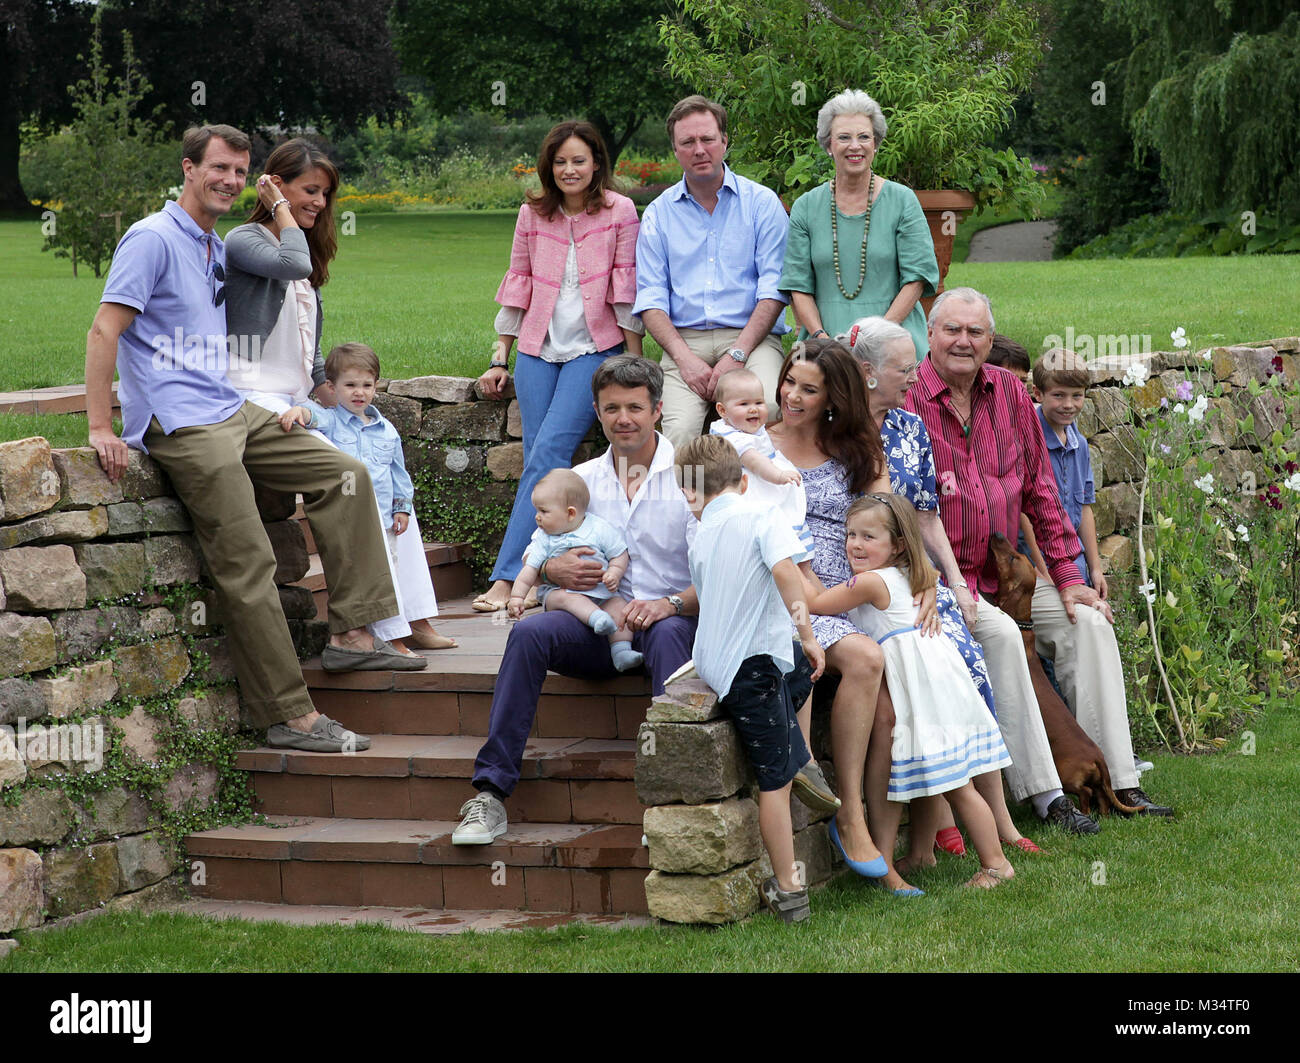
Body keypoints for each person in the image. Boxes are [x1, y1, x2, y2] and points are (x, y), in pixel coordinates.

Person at [85, 124, 400, 755]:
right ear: (188, 168)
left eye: (239, 170)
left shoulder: (209, 243)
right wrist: (100, 426)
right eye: (219, 168)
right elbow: (104, 329)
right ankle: (289, 715)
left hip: (231, 408)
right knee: (249, 559)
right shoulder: (151, 238)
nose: (230, 180)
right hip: (184, 425)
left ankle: (351, 637)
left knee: (347, 475)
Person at [905, 287, 1174, 821]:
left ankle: (1120, 778)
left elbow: (1043, 496)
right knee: (1004, 639)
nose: (963, 341)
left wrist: (1071, 577)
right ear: (930, 334)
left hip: (1017, 581)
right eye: (952, 330)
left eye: (975, 332)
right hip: (949, 584)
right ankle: (1048, 794)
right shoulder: (907, 397)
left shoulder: (1009, 393)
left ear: (990, 338)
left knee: (1090, 624)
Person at [453, 356, 698, 844]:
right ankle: (490, 793)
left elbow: (720, 571)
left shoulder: (691, 476)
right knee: (527, 633)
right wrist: (549, 570)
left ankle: (669, 802)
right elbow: (539, 555)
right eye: (611, 408)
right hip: (597, 624)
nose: (622, 418)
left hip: (672, 621)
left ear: (658, 410)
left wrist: (670, 603)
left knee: (669, 632)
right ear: (596, 410)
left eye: (634, 407)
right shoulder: (578, 479)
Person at [227, 138, 454, 654]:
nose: (320, 203)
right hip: (251, 397)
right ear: (275, 185)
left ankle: (412, 615)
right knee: (351, 479)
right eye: (310, 191)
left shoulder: (302, 258)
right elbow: (292, 265)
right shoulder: (244, 240)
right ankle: (370, 630)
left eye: (326, 194)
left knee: (384, 467)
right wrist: (281, 209)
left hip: (298, 397)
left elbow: (305, 360)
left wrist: (347, 397)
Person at [843, 315, 1039, 856]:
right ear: (866, 373)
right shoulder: (838, 432)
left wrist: (951, 580)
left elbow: (927, 517)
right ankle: (941, 835)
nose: (914, 377)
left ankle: (1001, 825)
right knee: (921, 695)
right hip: (872, 588)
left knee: (970, 679)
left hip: (919, 579)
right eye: (904, 369)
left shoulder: (909, 427)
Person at [767, 338, 933, 893]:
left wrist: (926, 580)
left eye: (808, 389)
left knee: (891, 714)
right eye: (790, 381)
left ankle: (885, 854)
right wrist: (807, 585)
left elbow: (894, 519)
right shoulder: (758, 448)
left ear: (834, 397)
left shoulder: (855, 450)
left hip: (860, 589)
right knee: (864, 657)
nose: (792, 395)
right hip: (796, 591)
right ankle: (849, 816)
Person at [472, 121, 643, 613]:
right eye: (561, 161)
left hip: (595, 347)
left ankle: (508, 578)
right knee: (537, 460)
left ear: (596, 165)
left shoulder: (620, 211)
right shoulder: (532, 213)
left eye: (579, 161)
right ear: (549, 167)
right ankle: (552, 568)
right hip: (535, 348)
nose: (570, 170)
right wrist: (498, 356)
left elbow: (625, 287)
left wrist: (632, 359)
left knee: (549, 451)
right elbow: (518, 281)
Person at [805, 494, 1015, 889]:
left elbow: (818, 603)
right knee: (938, 774)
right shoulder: (909, 573)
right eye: (850, 534)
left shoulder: (869, 582)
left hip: (924, 691)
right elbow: (931, 578)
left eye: (869, 536)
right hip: (939, 684)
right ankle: (921, 853)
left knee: (958, 788)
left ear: (898, 544)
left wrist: (797, 562)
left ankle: (996, 864)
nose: (855, 544)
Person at [675, 435, 828, 921]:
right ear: (744, 481)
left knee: (801, 674)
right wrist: (808, 631)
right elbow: (787, 574)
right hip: (752, 667)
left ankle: (800, 758)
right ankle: (789, 888)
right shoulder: (763, 516)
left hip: (721, 663)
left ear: (690, 493)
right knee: (773, 782)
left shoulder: (701, 537)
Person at [280, 343, 456, 659]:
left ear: (376, 386)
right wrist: (299, 412)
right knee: (378, 573)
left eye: (366, 385)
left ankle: (410, 626)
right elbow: (313, 416)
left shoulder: (385, 429)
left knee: (395, 568)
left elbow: (398, 472)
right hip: (358, 515)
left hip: (387, 514)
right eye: (350, 385)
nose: (359, 393)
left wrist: (402, 506)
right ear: (332, 388)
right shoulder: (332, 420)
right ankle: (393, 636)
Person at [633, 95, 791, 448]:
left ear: (724, 142)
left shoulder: (762, 204)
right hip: (684, 341)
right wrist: (685, 361)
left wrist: (738, 354)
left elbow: (774, 289)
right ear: (675, 151)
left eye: (707, 139)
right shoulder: (658, 215)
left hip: (753, 338)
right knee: (678, 435)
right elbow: (650, 298)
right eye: (688, 142)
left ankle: (758, 500)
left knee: (764, 410)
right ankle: (694, 504)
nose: (699, 149)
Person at [779, 90, 938, 358]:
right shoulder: (806, 207)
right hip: (822, 342)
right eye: (844, 137)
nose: (855, 146)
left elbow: (916, 280)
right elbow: (798, 286)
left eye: (864, 137)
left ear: (875, 143)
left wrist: (878, 335)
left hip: (893, 334)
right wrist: (822, 339)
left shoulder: (902, 201)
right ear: (828, 145)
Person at [505, 468, 642, 673]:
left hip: (602, 594)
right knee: (564, 597)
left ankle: (621, 651)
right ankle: (597, 618)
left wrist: (614, 572)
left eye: (543, 511)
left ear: (570, 513)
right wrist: (516, 597)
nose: (537, 518)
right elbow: (529, 570)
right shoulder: (544, 538)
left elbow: (619, 553)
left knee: (619, 606)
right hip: (563, 595)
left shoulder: (599, 528)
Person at [1019, 348, 1103, 591]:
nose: (1068, 405)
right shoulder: (1027, 441)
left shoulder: (1081, 445)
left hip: (1076, 563)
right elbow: (1024, 514)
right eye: (1058, 395)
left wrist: (1095, 567)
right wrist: (1044, 571)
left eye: (1077, 396)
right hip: (1038, 565)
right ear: (1038, 393)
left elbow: (1084, 506)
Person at [707, 368, 813, 557]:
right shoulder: (732, 438)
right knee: (779, 533)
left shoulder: (742, 427)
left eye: (759, 402)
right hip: (756, 487)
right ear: (722, 410)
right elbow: (754, 461)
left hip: (763, 480)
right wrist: (778, 475)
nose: (753, 409)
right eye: (744, 404)